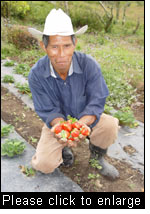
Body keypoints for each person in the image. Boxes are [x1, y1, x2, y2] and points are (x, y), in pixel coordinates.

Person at [28, 8, 119, 180]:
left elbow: (97, 100)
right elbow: (48, 110)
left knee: (110, 125)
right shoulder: (36, 74)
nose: (61, 54)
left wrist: (80, 126)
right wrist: (62, 129)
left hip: (85, 119)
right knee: (44, 165)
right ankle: (63, 149)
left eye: (67, 46)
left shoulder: (89, 65)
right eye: (54, 47)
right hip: (57, 126)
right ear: (43, 46)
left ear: (75, 43)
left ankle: (97, 157)